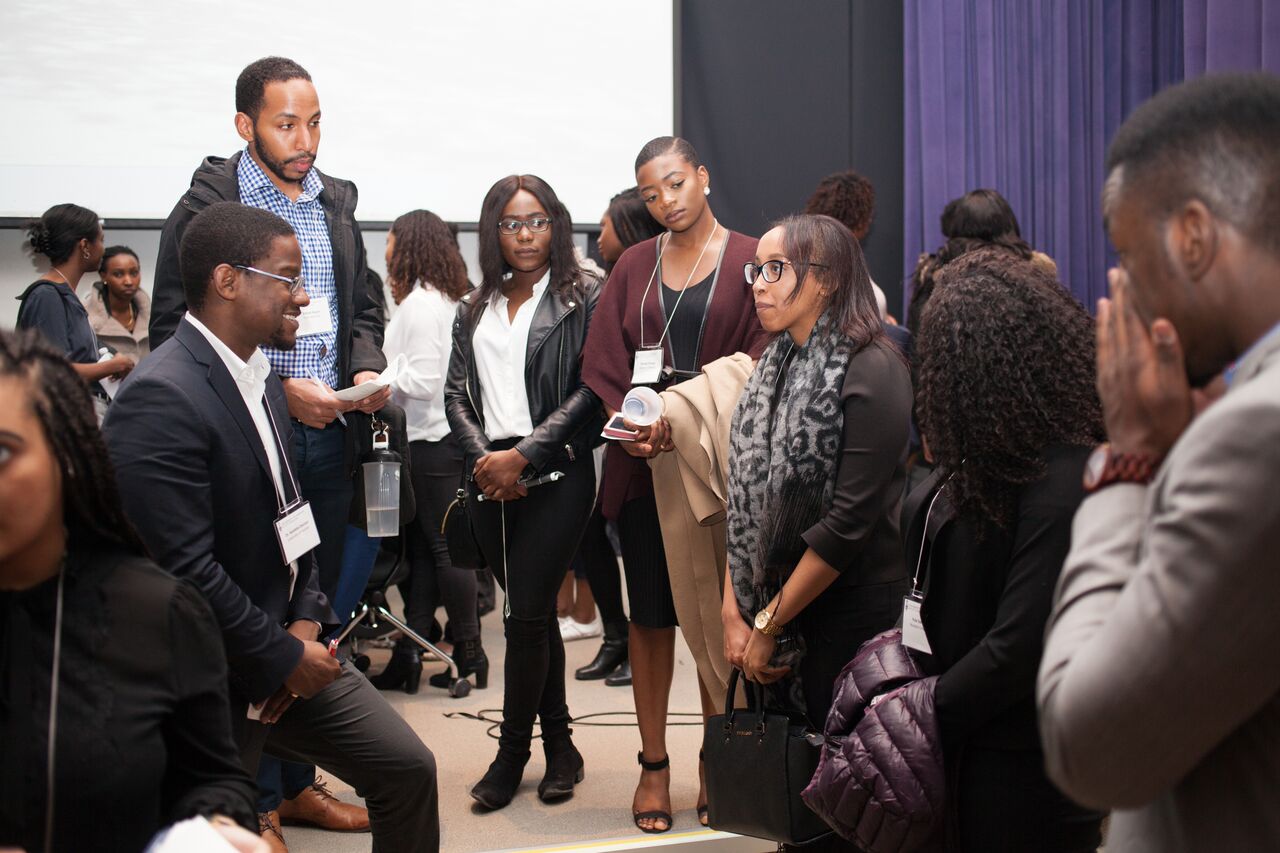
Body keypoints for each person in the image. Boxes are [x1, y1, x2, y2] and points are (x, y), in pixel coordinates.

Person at [104, 201, 439, 853]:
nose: (306, 296)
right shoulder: (161, 395)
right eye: (289, 278)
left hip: (288, 640)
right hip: (207, 671)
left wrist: (308, 621)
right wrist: (283, 655)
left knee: (406, 768)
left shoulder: (260, 377)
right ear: (228, 280)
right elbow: (182, 569)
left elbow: (294, 518)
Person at [147, 56, 389, 843]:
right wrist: (279, 392)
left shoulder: (335, 203)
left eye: (316, 122)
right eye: (288, 123)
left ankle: (293, 786)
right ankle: (240, 802)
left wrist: (361, 366)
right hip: (253, 432)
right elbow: (170, 336)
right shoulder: (209, 208)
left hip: (331, 437)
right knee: (245, 612)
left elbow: (360, 307)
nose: (306, 140)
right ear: (246, 125)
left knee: (307, 610)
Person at [1037, 72, 1280, 852]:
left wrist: (1130, 463)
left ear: (1194, 237)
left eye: (1128, 258)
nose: (1126, 294)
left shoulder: (1254, 435)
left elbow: (1090, 745)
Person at [0, 330, 261, 853]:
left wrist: (214, 832)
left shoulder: (156, 612)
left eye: (2, 453)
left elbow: (213, 781)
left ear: (66, 457)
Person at [581, 137, 770, 832]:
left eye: (675, 183)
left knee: (722, 623)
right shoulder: (635, 264)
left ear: (703, 176)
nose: (666, 201)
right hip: (644, 468)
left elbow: (761, 360)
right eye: (651, 193)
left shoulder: (754, 258)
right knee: (652, 617)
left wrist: (684, 421)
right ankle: (653, 763)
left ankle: (717, 755)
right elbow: (606, 361)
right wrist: (634, 427)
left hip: (722, 467)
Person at [905, 249, 1105, 852]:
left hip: (1024, 765)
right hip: (961, 745)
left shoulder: (1064, 479)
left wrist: (921, 712)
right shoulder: (982, 464)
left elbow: (1019, 648)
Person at [445, 174, 603, 811]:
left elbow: (593, 390)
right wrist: (486, 459)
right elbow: (456, 392)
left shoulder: (583, 295)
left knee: (523, 620)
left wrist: (523, 456)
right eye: (511, 223)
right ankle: (562, 747)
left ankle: (513, 756)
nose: (526, 234)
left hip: (555, 471)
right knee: (532, 619)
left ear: (556, 224)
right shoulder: (472, 304)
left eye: (537, 220)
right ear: (493, 232)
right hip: (490, 479)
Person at [724, 213, 910, 728]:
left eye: (775, 270)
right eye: (755, 271)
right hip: (775, 605)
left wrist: (767, 624)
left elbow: (848, 526)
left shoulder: (875, 367)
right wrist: (732, 612)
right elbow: (743, 503)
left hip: (848, 607)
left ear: (826, 278)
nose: (759, 285)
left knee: (841, 766)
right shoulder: (773, 365)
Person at [373, 208, 486, 694]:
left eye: (391, 240)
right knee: (423, 552)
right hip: (438, 440)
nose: (386, 250)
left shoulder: (419, 305)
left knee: (443, 552)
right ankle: (410, 654)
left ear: (409, 245)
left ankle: (470, 654)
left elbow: (423, 381)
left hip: (429, 440)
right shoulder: (444, 299)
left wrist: (373, 383)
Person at [574, 187, 668, 687]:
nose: (599, 234)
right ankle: (615, 638)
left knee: (639, 549)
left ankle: (634, 641)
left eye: (606, 224)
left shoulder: (650, 285)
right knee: (593, 536)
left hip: (645, 430)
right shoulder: (601, 284)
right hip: (604, 432)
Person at [15, 204, 135, 395]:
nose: (103, 249)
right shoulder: (47, 297)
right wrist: (111, 367)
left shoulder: (64, 294)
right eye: (101, 240)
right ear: (85, 246)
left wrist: (112, 355)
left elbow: (80, 350)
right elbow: (53, 372)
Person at [906, 188, 1056, 337]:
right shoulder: (1034, 275)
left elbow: (916, 338)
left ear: (956, 230)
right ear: (1010, 227)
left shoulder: (935, 275)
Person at [84, 245, 151, 361]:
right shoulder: (85, 316)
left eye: (134, 273)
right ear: (103, 276)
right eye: (118, 274)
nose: (128, 281)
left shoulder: (153, 315)